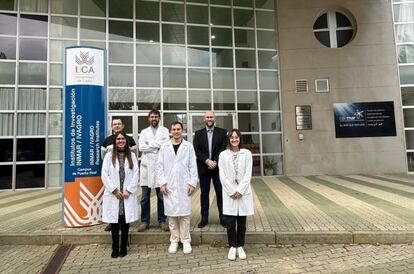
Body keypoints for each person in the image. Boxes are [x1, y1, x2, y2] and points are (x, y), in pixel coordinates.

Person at [157, 122, 198, 254]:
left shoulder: (188, 146)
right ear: (171, 131)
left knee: (185, 215)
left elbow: (193, 166)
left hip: (184, 184)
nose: (176, 131)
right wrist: (162, 183)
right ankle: (174, 240)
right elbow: (159, 166)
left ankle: (186, 240)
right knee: (172, 215)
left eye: (178, 129)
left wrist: (192, 183)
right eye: (174, 129)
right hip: (169, 185)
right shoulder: (164, 147)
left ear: (182, 131)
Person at [101, 131, 139, 258]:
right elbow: (104, 175)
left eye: (123, 139)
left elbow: (136, 174)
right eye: (118, 139)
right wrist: (114, 190)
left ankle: (123, 246)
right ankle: (114, 247)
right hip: (115, 195)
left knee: (124, 222)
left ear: (126, 141)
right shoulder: (108, 156)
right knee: (115, 223)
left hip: (126, 194)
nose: (121, 141)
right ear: (115, 141)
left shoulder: (132, 156)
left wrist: (129, 190)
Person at [218, 129, 254, 261]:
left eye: (236, 137)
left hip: (243, 193)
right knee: (230, 223)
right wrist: (232, 191)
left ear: (240, 139)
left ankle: (240, 246)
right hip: (230, 194)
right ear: (229, 139)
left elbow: (248, 174)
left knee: (242, 223)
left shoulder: (247, 153)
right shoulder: (223, 155)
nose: (234, 140)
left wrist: (240, 190)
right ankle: (232, 246)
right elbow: (222, 175)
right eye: (232, 137)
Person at [101, 118, 137, 232]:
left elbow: (134, 160)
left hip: (126, 178)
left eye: (119, 124)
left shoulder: (130, 140)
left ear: (123, 126)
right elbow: (103, 156)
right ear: (112, 127)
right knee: (113, 210)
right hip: (113, 177)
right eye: (114, 124)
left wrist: (129, 189)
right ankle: (112, 223)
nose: (116, 126)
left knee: (125, 209)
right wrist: (114, 189)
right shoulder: (107, 141)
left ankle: (125, 223)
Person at [137, 110, 170, 232]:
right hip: (146, 167)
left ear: (159, 118)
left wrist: (149, 144)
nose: (154, 118)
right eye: (152, 117)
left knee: (161, 196)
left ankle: (162, 220)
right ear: (148, 118)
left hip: (160, 167)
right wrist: (157, 145)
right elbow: (141, 147)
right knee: (145, 197)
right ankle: (145, 221)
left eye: (156, 116)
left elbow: (165, 144)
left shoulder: (165, 130)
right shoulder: (144, 132)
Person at [193, 111, 227, 228]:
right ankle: (204, 218)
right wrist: (207, 161)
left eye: (211, 117)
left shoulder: (222, 132)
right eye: (207, 117)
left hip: (218, 168)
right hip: (204, 168)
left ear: (214, 118)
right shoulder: (198, 134)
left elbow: (223, 148)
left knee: (220, 194)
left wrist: (215, 162)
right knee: (204, 194)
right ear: (204, 119)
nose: (209, 119)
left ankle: (223, 218)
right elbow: (197, 150)